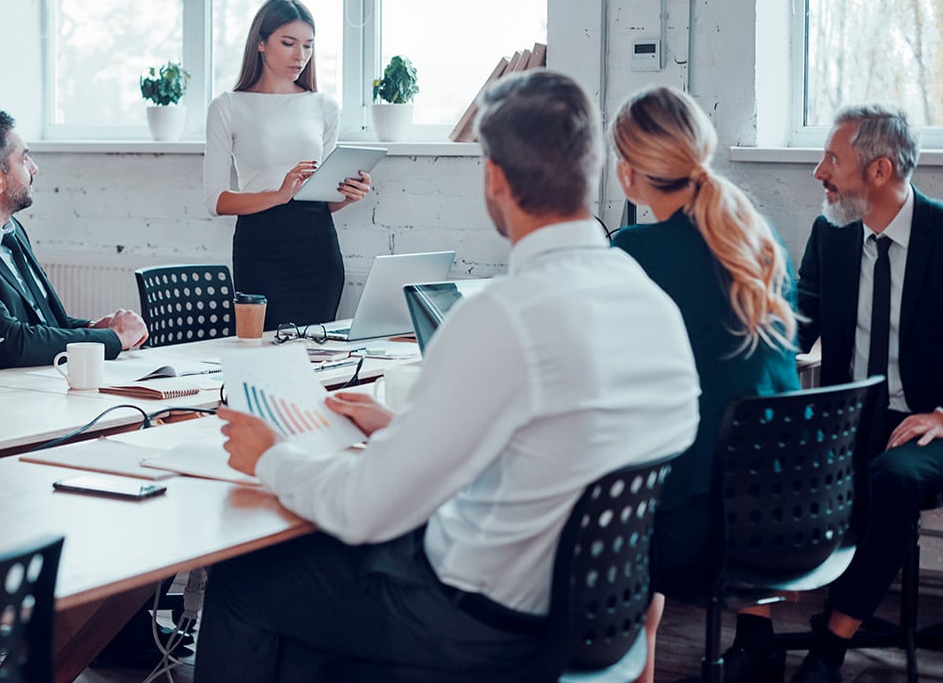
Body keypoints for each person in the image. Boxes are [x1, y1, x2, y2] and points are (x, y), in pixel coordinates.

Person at [194, 69, 701, 682]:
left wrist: (269, 456)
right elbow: (555, 443)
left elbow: (365, 509)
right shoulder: (652, 305)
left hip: (480, 624)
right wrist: (407, 428)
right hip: (597, 614)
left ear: (494, 177)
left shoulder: (502, 314)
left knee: (247, 581)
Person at [608, 85, 801, 683]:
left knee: (592, 501)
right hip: (793, 513)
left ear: (629, 172)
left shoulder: (633, 252)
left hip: (697, 530)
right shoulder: (762, 243)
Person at [774, 104, 943, 683]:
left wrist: (942, 414)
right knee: (757, 450)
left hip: (927, 421)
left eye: (832, 158)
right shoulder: (832, 231)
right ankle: (752, 634)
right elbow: (802, 320)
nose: (819, 171)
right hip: (851, 413)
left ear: (879, 170)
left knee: (893, 478)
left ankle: (831, 643)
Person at [0, 109, 148, 371]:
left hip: (39, 384)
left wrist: (93, 328)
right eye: (24, 159)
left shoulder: (10, 230)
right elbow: (11, 342)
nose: (34, 167)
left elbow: (43, 326)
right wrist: (113, 338)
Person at [203, 0, 371, 330]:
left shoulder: (324, 106)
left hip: (318, 250)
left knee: (317, 356)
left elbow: (321, 199)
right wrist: (279, 195)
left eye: (308, 45)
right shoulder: (228, 107)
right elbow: (215, 201)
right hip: (260, 249)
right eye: (289, 43)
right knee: (262, 354)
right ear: (261, 43)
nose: (301, 55)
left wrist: (347, 195)